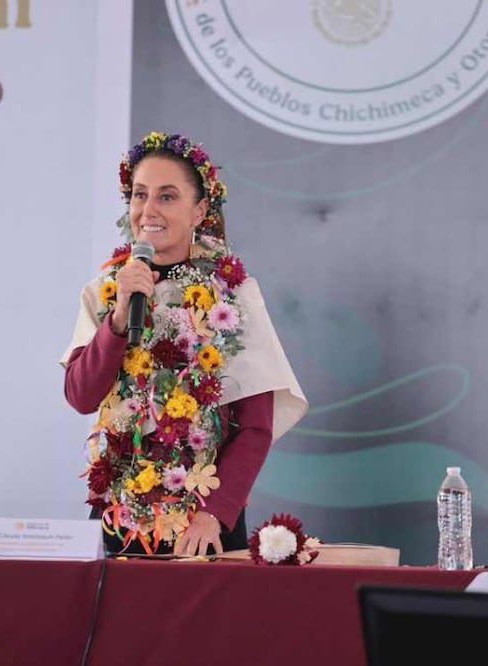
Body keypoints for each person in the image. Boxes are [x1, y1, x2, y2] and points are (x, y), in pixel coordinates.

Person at [60, 131, 308, 556]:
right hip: (120, 512)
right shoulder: (106, 290)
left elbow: (254, 426)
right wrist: (119, 321)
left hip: (204, 522)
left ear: (200, 212)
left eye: (167, 197)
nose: (148, 210)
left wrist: (216, 512)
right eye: (140, 195)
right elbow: (81, 396)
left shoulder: (234, 294)